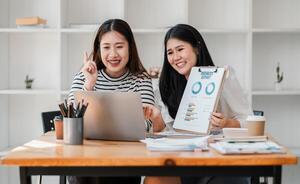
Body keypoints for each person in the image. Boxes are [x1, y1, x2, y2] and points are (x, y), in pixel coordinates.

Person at [145, 24, 252, 184]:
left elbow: (250, 122)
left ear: (197, 48)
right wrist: (158, 121)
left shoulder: (224, 76)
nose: (175, 57)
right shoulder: (167, 86)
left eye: (180, 49)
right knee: (154, 180)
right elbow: (169, 132)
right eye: (170, 52)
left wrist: (227, 123)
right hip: (182, 161)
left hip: (221, 162)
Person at [68, 19, 165, 184]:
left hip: (126, 159)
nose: (113, 54)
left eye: (119, 46)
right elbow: (71, 120)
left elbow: (148, 127)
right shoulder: (84, 76)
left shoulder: (141, 79)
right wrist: (89, 84)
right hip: (86, 158)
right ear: (98, 49)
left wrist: (151, 119)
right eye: (106, 47)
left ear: (130, 47)